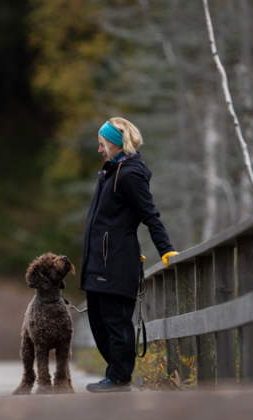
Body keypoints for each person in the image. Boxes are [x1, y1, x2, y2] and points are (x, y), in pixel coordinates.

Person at [80, 117, 178, 393]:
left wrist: (166, 249)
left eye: (103, 144)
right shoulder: (110, 172)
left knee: (116, 323)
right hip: (97, 262)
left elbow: (150, 214)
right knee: (98, 323)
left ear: (117, 143)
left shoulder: (129, 174)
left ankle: (119, 378)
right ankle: (116, 374)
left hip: (116, 263)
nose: (99, 150)